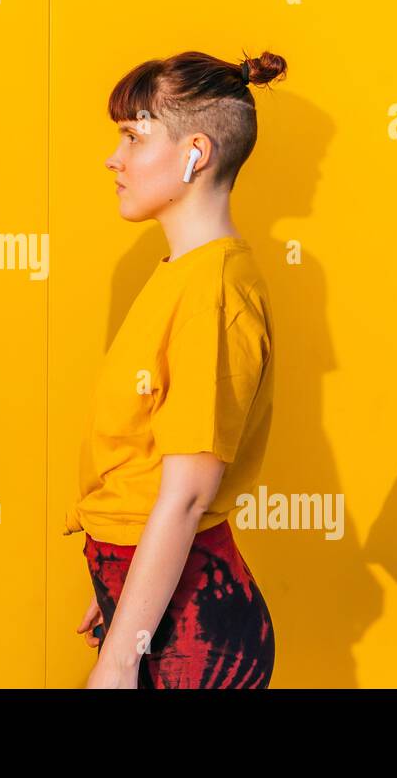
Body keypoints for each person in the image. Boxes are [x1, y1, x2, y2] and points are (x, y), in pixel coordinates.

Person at [63, 49, 286, 688]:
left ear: (195, 153)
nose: (115, 157)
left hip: (197, 634)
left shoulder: (214, 289)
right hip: (161, 604)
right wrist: (124, 597)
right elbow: (145, 470)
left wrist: (122, 654)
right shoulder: (182, 274)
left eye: (133, 136)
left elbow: (188, 494)